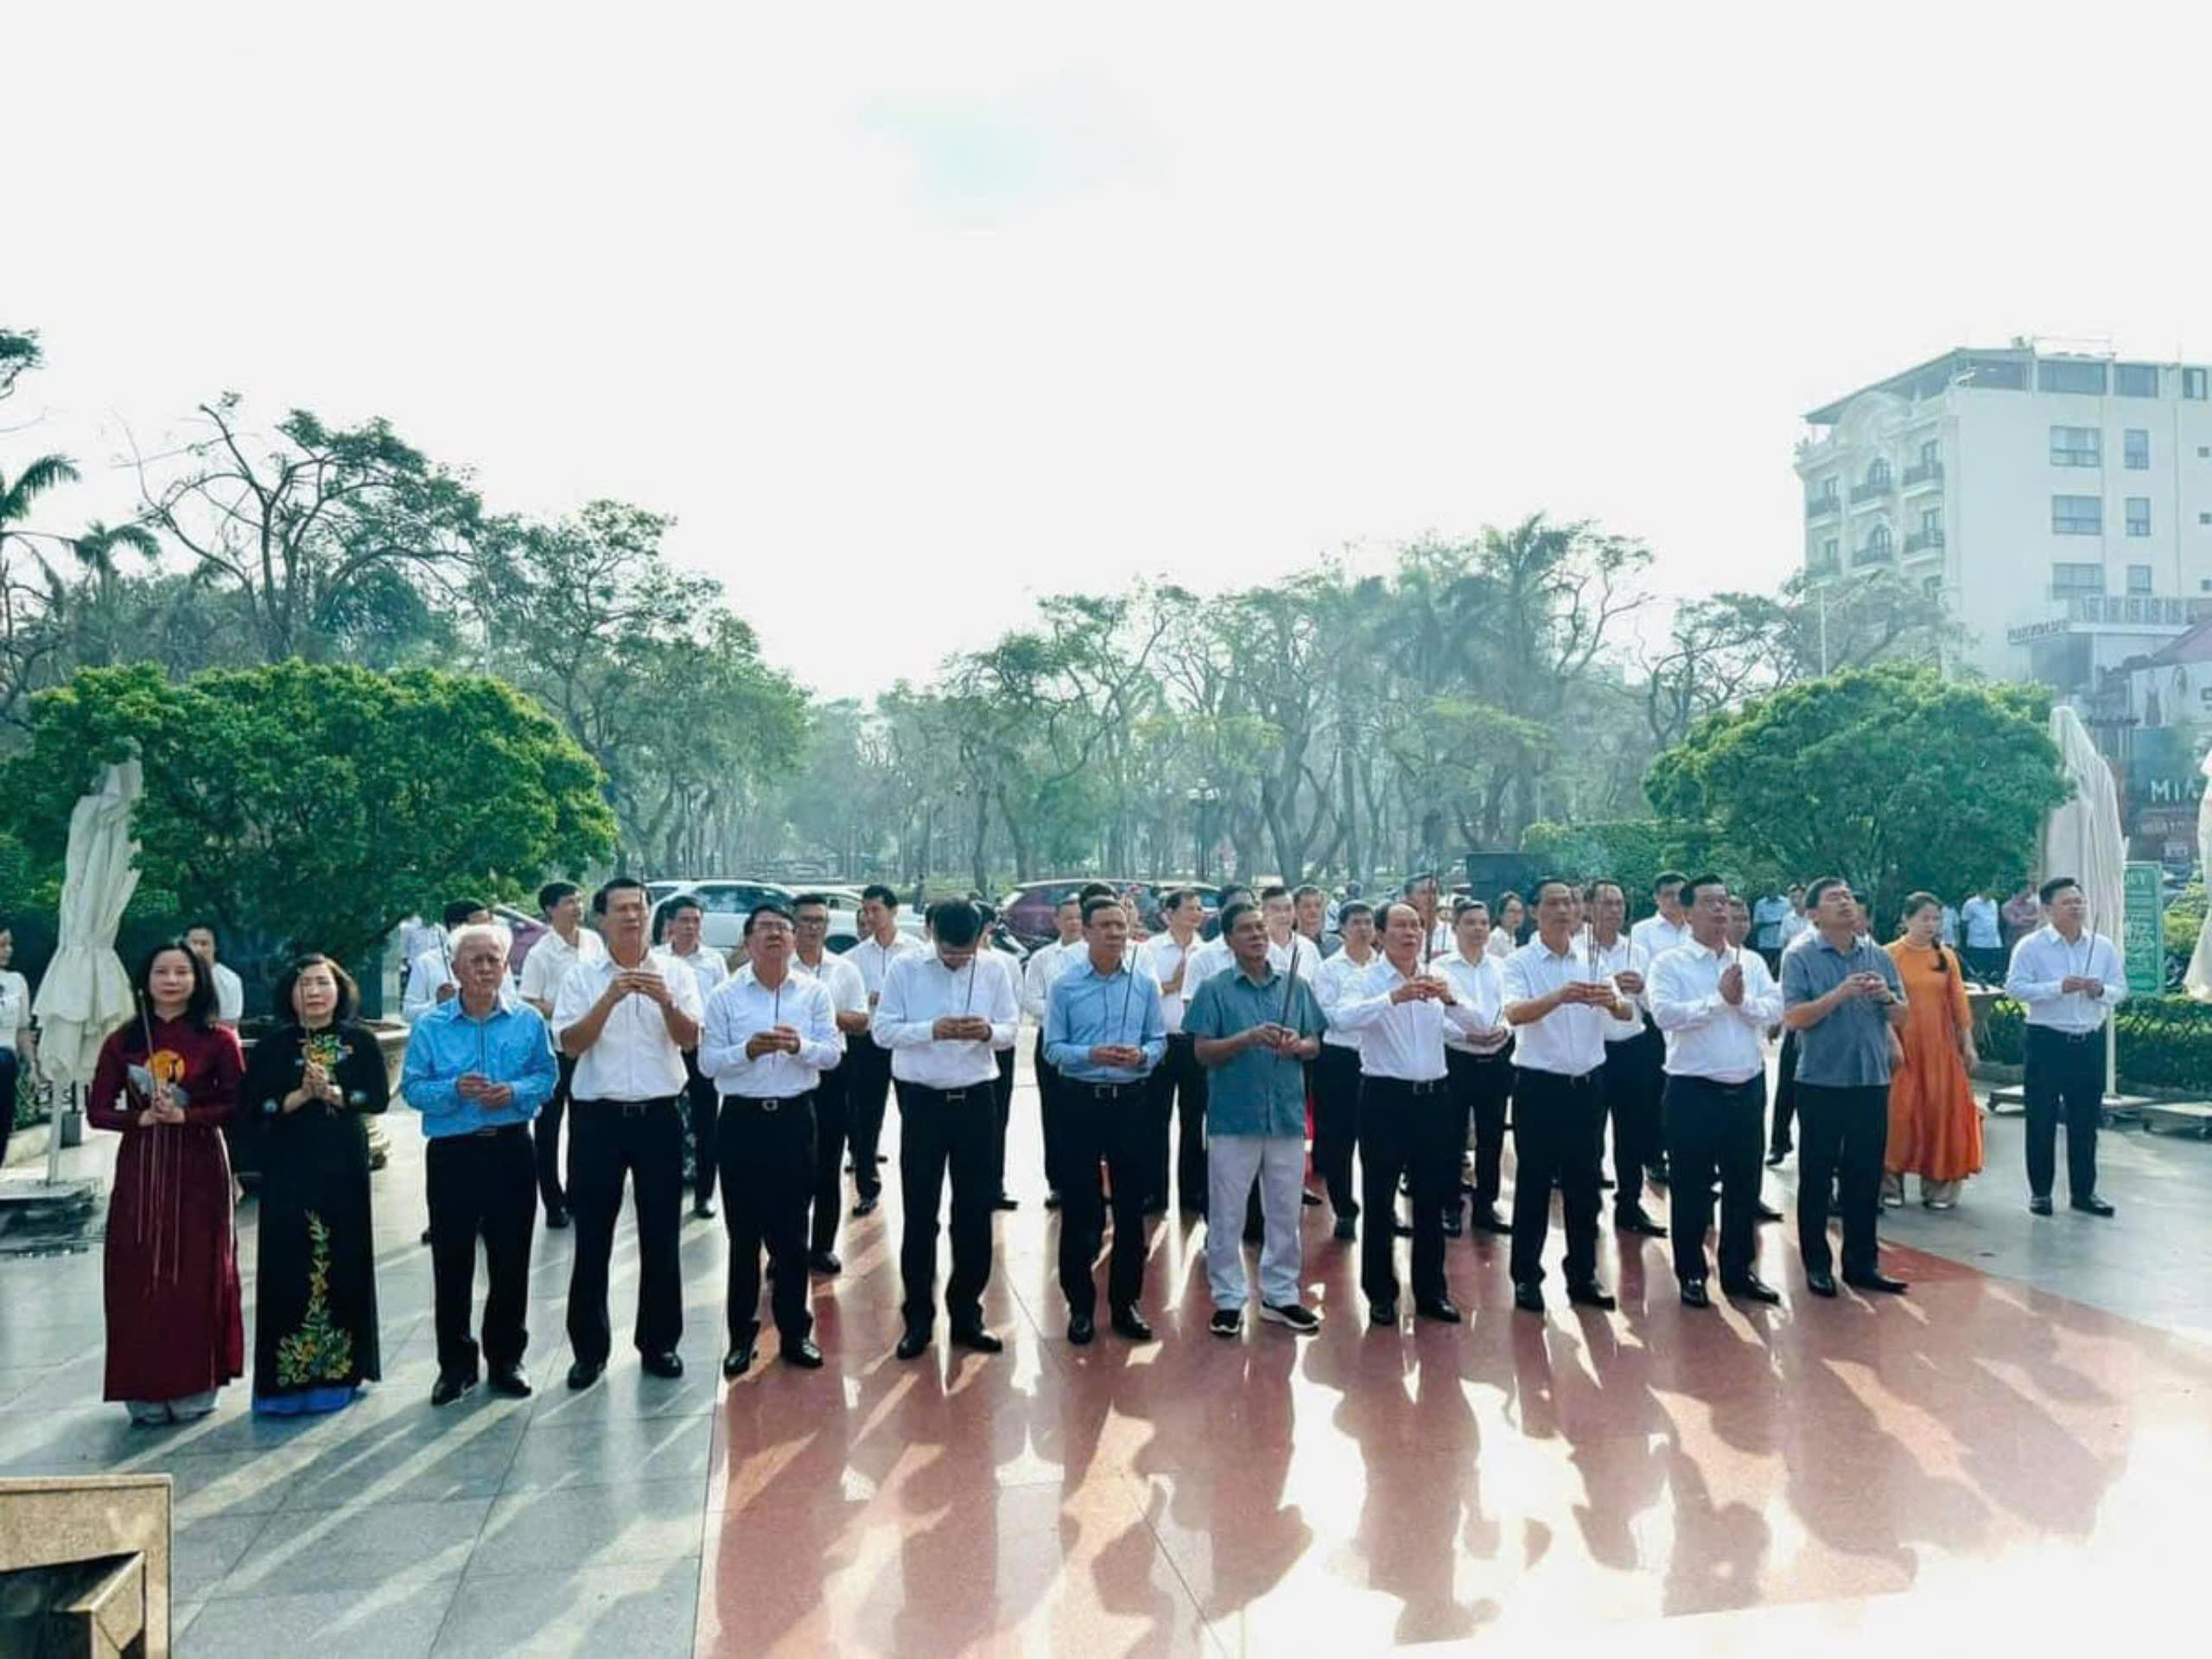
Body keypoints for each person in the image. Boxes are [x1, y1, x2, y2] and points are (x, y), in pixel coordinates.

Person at [552, 877, 704, 1389]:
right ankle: (589, 1350)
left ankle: (659, 1342)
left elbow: (690, 1040)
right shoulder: (581, 977)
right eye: (621, 909)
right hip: (598, 1120)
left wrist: (665, 1001)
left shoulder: (676, 973)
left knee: (661, 1234)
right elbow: (571, 1045)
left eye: (639, 908)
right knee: (592, 1236)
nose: (632, 917)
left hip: (659, 1116)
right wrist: (609, 1000)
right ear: (602, 919)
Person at [86, 941, 245, 1424]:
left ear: (198, 980)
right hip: (142, 1164)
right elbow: (97, 1111)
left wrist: (186, 1115)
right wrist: (139, 1119)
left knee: (198, 1270)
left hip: (199, 1164)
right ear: (145, 980)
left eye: (182, 972)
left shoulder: (218, 1040)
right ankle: (144, 1389)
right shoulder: (123, 1041)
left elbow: (238, 1104)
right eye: (161, 972)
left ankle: (197, 1383)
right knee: (137, 1269)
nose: (172, 981)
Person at [403, 921, 555, 1405]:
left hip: (511, 1148)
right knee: (452, 1260)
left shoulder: (527, 1021)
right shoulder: (431, 1026)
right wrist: (453, 1090)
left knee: (511, 1258)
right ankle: (455, 1365)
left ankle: (506, 1358)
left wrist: (515, 1091)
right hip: (454, 1153)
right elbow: (412, 1088)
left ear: (506, 966)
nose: (486, 968)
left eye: (494, 959)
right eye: (475, 960)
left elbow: (547, 1077)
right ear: (456, 968)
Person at [240, 954, 388, 1414]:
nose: (315, 992)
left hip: (342, 1162)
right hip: (289, 1163)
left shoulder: (360, 1041)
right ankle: (286, 1380)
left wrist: (337, 1095)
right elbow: (255, 1105)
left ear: (340, 989)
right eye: (305, 984)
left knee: (343, 1255)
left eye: (323, 983)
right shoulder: (273, 1045)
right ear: (290, 993)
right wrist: (300, 1095)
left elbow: (377, 1098)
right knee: (289, 1257)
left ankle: (341, 1371)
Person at [874, 899, 1019, 1360]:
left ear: (981, 937)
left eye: (966, 952)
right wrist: (931, 1030)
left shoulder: (994, 968)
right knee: (920, 1211)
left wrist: (986, 1032)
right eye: (949, 952)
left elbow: (1011, 1029)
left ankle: (968, 1314)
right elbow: (883, 1031)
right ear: (932, 934)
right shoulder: (905, 969)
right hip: (923, 1103)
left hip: (976, 1100)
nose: (958, 961)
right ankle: (918, 1317)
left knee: (974, 1212)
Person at [699, 904, 837, 1377]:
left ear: (795, 939)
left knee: (793, 1233)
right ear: (748, 940)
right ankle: (741, 1336)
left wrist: (799, 1046)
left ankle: (795, 1332)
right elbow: (709, 1064)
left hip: (795, 1119)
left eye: (783, 928)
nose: (776, 935)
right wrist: (748, 1050)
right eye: (765, 928)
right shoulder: (724, 995)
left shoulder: (814, 992)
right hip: (742, 1121)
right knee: (743, 1235)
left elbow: (832, 1054)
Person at [1333, 901, 1484, 1325]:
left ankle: (1432, 1291)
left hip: (1435, 1099)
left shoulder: (1438, 978)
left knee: (1432, 1198)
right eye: (1400, 926)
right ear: (1380, 934)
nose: (1410, 933)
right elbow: (1341, 1019)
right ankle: (1380, 1292)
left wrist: (1449, 998)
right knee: (1380, 1199)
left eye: (1416, 925)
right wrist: (1393, 997)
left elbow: (1476, 1023)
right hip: (1385, 1098)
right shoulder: (1366, 979)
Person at [1187, 896, 1327, 1338]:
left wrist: (1297, 1046)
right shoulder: (1215, 989)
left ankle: (1280, 1295)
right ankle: (1228, 1299)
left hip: (1285, 1113)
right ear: (1229, 940)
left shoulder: (1295, 986)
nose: (1257, 936)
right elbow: (1202, 1051)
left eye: (1262, 929)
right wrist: (1246, 1038)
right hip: (1234, 1116)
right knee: (1227, 1213)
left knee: (1284, 1211)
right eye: (1247, 929)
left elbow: (1315, 1043)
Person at [1501, 880, 1637, 1314]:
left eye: (1571, 902)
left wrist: (1611, 1001)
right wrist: (1560, 996)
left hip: (1588, 1087)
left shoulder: (1591, 957)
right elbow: (1514, 1013)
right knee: (1534, 1185)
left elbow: (1627, 1012)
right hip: (1539, 1087)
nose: (1565, 910)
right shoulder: (1520, 962)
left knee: (1585, 1186)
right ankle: (1526, 1277)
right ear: (1534, 911)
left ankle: (1583, 1274)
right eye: (1555, 903)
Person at [1649, 876, 1784, 1308]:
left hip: (1746, 1088)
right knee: (1691, 1187)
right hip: (1693, 1091)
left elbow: (1774, 1008)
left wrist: (1741, 1002)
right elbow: (1665, 1015)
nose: (1721, 910)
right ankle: (1691, 1273)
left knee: (1744, 1185)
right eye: (1709, 903)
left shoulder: (1752, 962)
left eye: (1724, 902)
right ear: (1687, 913)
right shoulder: (1670, 963)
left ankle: (1739, 1270)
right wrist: (1719, 1000)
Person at [1045, 894, 1167, 1344]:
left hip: (1131, 1103)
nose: (1116, 933)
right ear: (1087, 932)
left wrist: (1144, 1056)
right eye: (1106, 926)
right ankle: (1080, 1305)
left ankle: (1125, 1304)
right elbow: (1052, 1048)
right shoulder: (1065, 986)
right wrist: (1090, 1054)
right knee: (1080, 1206)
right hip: (1079, 1102)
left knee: (1132, 1208)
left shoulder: (1144, 985)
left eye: (1121, 925)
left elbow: (1159, 1040)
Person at [1781, 877, 1910, 1298]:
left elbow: (1902, 1015)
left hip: (1870, 1079)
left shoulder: (1876, 954)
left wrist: (1886, 997)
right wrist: (1839, 994)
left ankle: (1862, 1263)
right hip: (1820, 1080)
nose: (1845, 903)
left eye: (1849, 897)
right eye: (1834, 898)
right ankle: (1817, 1264)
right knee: (1817, 1175)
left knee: (1864, 1175)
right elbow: (1794, 1018)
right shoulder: (1799, 956)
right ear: (1813, 913)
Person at [2005, 876, 2126, 1218]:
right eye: (2068, 902)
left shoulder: (2102, 946)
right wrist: (2058, 987)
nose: (2076, 907)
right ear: (2047, 909)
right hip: (2047, 1039)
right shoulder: (2031, 946)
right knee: (2041, 1118)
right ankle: (2041, 1192)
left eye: (2079, 901)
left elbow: (2120, 988)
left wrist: (2100, 991)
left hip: (2088, 1040)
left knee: (2085, 1120)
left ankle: (2084, 1192)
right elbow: (2015, 988)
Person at [1882, 893, 1982, 1211]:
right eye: (1924, 918)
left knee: (1939, 1113)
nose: (1931, 925)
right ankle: (1889, 1184)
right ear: (1906, 919)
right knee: (1897, 1114)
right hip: (1900, 1045)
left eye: (1936, 919)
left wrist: (1967, 1042)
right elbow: (1881, 1004)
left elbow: (1958, 1002)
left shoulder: (1946, 957)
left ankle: (1939, 1186)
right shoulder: (1889, 954)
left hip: (1939, 1047)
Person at [518, 880, 607, 1228]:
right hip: (552, 1047)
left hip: (588, 1042)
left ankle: (577, 1194)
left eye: (579, 900)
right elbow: (529, 1000)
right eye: (569, 902)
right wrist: (565, 1009)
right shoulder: (541, 953)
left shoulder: (593, 942)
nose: (577, 907)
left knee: (585, 1123)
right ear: (550, 910)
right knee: (549, 1126)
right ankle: (552, 1200)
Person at [791, 893, 870, 1274]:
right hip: (788, 1071)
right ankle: (785, 1248)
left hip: (832, 1072)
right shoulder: (778, 968)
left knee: (828, 1162)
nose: (812, 927)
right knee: (789, 1166)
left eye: (819, 921)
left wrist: (822, 1017)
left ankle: (822, 1246)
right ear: (793, 924)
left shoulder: (845, 970)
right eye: (805, 920)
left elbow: (861, 1021)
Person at [1586, 880, 1665, 1240]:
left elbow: (1655, 1006)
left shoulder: (1638, 950)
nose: (1615, 911)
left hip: (1633, 1047)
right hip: (1591, 1050)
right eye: (1607, 904)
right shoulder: (1577, 949)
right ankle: (1586, 1205)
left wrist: (1641, 988)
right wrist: (1609, 987)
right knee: (1589, 1132)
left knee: (1632, 1130)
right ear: (1589, 908)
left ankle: (1630, 1203)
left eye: (1619, 904)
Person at [1435, 899, 1514, 1239]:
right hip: (1456, 1058)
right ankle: (1450, 1205)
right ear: (1455, 927)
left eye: (1483, 922)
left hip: (1496, 1059)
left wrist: (1505, 1029)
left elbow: (1512, 1007)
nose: (1479, 929)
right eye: (1470, 922)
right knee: (1450, 1136)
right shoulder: (1440, 970)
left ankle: (1486, 1205)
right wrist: (1465, 1035)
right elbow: (1437, 1016)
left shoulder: (1502, 967)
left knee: (1492, 1136)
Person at [846, 884, 924, 1218]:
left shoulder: (918, 953)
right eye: (865, 911)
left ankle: (919, 1186)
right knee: (866, 1117)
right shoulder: (854, 958)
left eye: (876, 910)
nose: (869, 916)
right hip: (868, 1042)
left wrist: (886, 998)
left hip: (906, 1040)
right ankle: (867, 1187)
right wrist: (871, 999)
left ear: (893, 912)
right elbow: (852, 1001)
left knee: (915, 1116)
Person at [658, 894, 730, 1220]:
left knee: (706, 1121)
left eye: (696, 921)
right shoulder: (656, 959)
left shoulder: (713, 961)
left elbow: (723, 1004)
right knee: (666, 1120)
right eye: (684, 920)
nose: (690, 927)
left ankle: (705, 1193)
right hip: (665, 1046)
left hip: (702, 1046)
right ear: (670, 925)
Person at [1141, 887, 1211, 1217]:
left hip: (1195, 1043)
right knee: (1154, 1119)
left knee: (1194, 1119)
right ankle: (1153, 1191)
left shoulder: (1207, 952)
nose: (1197, 914)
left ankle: (1193, 1191)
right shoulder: (1150, 950)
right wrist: (1173, 983)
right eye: (1190, 908)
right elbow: (1144, 995)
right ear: (1169, 914)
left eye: (1199, 908)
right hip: (1161, 1042)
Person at [1310, 900, 1377, 1240]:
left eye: (1368, 923)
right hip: (1340, 1059)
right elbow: (1331, 1017)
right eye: (1356, 923)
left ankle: (1382, 1208)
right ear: (1343, 928)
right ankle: (1344, 1208)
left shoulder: (1384, 967)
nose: (1363, 929)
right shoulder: (1330, 970)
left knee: (1379, 1139)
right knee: (1339, 1137)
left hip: (1378, 1059)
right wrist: (1374, 1009)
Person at [1022, 895, 1085, 1211]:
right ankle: (1058, 1182)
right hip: (1052, 1042)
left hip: (1087, 1043)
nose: (1073, 923)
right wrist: (1065, 1014)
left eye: (1079, 917)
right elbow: (1031, 1000)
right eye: (1068, 917)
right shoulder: (1042, 958)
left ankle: (1092, 1181)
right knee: (1054, 1112)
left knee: (1087, 1114)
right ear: (1056, 921)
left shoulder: (1095, 955)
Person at [403, 899, 493, 1023]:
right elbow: (408, 1014)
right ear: (456, 927)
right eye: (480, 927)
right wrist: (438, 1003)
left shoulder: (497, 961)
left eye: (489, 926)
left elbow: (513, 1004)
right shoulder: (426, 963)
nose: (489, 932)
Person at [0, 923, 35, 1170]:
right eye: (2, 945)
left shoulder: (16, 981)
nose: (8, 950)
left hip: (6, 1062)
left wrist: (32, 1065)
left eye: (9, 944)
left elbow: (22, 1029)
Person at [184, 922, 245, 1026]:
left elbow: (232, 1022)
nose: (198, 949)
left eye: (204, 944)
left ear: (215, 946)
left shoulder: (230, 979)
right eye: (193, 943)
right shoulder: (173, 977)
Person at [1960, 889, 2005, 986]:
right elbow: (1964, 923)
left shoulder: (1994, 903)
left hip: (1994, 944)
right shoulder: (1970, 904)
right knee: (1979, 974)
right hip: (1977, 944)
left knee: (1993, 975)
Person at [1751, 890, 1795, 973]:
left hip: (1782, 943)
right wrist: (1771, 923)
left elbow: (1793, 920)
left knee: (1781, 970)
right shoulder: (1760, 904)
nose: (1772, 893)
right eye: (1770, 890)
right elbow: (1755, 924)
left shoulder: (1787, 902)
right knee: (1766, 969)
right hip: (1765, 943)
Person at [1294, 884, 1341, 958]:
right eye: (1307, 906)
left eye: (1318, 906)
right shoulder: (1287, 945)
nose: (1313, 911)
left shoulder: (1336, 944)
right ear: (1295, 911)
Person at [2000, 884, 2041, 953]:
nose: (2029, 891)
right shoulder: (2007, 907)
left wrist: (2026, 918)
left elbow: (2040, 917)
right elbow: (2016, 923)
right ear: (2020, 890)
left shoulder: (2032, 905)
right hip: (2014, 942)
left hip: (2032, 942)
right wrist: (2032, 920)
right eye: (2027, 889)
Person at [1487, 893, 1525, 959]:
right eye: (1512, 911)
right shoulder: (1494, 939)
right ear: (1501, 914)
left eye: (1520, 911)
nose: (1517, 915)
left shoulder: (1512, 939)